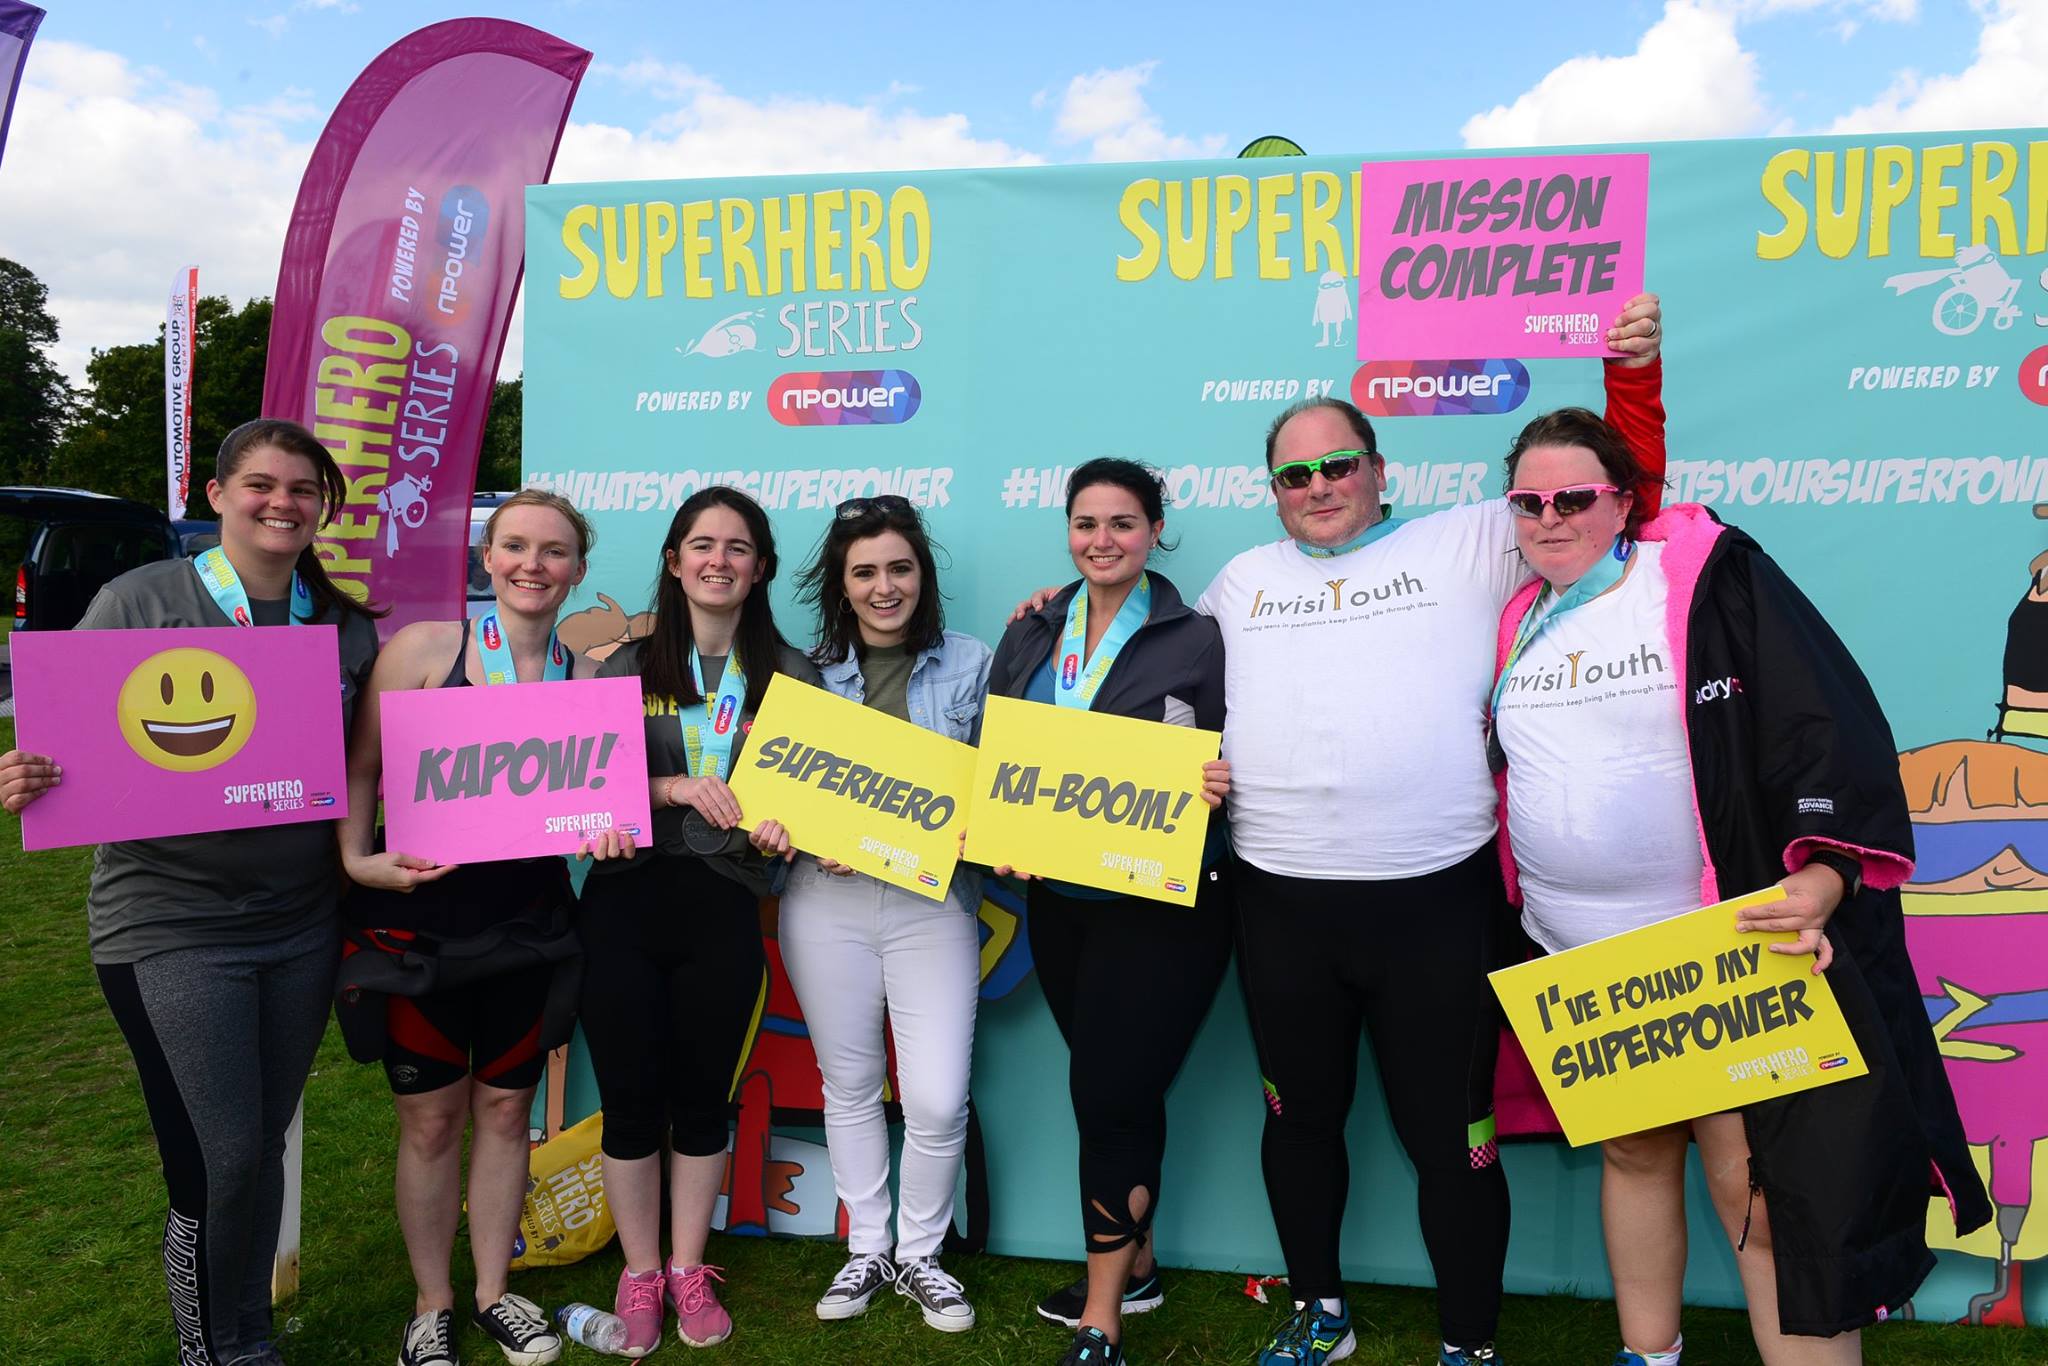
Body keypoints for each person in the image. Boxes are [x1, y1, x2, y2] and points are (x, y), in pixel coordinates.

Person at [1195, 298, 1667, 1366]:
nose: (1318, 487)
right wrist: (1069, 606)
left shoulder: (1470, 538)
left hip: (1435, 905)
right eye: (1294, 475)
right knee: (1297, 1119)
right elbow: (1152, 678)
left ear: (1377, 469)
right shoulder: (1241, 582)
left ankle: (1469, 1344)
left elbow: (1615, 500)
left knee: (1451, 1139)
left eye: (1337, 466)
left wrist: (1632, 381)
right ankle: (1320, 1312)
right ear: (1272, 490)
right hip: (1279, 905)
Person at [1486, 408, 1989, 1366]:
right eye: (1529, 501)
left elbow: (1819, 724)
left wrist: (1828, 873)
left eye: (1575, 497)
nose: (1551, 517)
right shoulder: (1519, 620)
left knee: (1749, 1175)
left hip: (1717, 947)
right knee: (1633, 1153)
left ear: (1625, 501)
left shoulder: (1700, 577)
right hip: (1580, 953)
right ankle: (1649, 1355)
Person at [0, 419, 380, 1366]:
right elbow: (66, 739)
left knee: (261, 1143)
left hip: (300, 920)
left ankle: (249, 1336)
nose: (282, 503)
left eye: (303, 489)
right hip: (169, 919)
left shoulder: (342, 624)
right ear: (217, 496)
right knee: (221, 1156)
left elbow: (363, 767)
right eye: (262, 485)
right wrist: (29, 773)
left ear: (322, 506)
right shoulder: (140, 600)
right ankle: (210, 1349)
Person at [339, 490, 604, 1366]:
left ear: (577, 569)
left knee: (505, 1110)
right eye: (516, 546)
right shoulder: (425, 650)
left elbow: (596, 806)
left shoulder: (587, 680)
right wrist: (356, 860)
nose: (534, 564)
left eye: (555, 551)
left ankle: (494, 1291)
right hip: (419, 925)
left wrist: (610, 827)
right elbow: (361, 768)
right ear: (487, 558)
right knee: (429, 1124)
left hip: (527, 926)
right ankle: (433, 1303)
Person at [985, 458, 1231, 1366]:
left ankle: (1102, 1317)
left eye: (1123, 523)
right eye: (1085, 523)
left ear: (1156, 530)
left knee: (1107, 1096)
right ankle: (1141, 1265)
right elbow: (997, 744)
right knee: (1116, 1085)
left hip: (1162, 911)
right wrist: (999, 823)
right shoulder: (1032, 628)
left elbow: (1251, 741)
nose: (1103, 540)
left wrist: (1224, 777)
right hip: (1059, 903)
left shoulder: (1200, 637)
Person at [577, 486, 820, 1356]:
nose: (720, 560)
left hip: (724, 905)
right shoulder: (622, 667)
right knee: (629, 1099)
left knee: (703, 1098)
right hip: (624, 902)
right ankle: (639, 1270)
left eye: (738, 547)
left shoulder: (792, 676)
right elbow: (581, 788)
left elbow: (813, 802)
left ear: (760, 568)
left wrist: (795, 828)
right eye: (703, 545)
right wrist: (670, 788)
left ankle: (686, 1266)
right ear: (675, 561)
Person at [747, 494, 991, 1332]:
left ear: (923, 575)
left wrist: (976, 829)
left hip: (933, 902)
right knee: (849, 1084)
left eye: (899, 568)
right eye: (865, 573)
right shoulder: (800, 674)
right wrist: (787, 830)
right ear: (840, 585)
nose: (884, 587)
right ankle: (867, 1248)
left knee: (936, 1098)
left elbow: (1004, 786)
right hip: (826, 903)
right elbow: (772, 797)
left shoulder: (973, 663)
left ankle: (922, 1256)